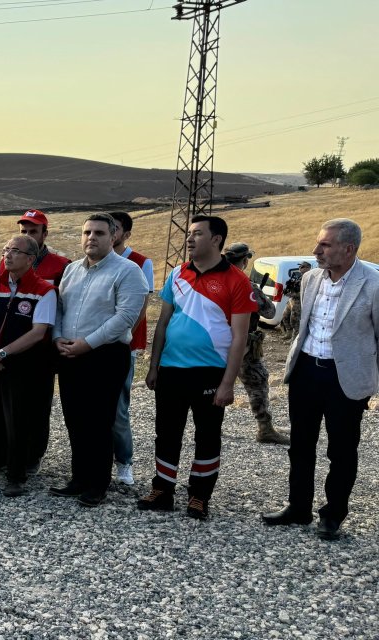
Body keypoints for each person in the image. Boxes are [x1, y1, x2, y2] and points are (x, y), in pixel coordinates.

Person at [263, 219, 379, 541]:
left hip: (345, 380)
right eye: (318, 244)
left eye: (324, 245)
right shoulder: (312, 278)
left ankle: (332, 515)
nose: (316, 251)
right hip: (306, 373)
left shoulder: (373, 285)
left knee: (341, 451)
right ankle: (298, 507)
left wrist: (371, 381)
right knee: (300, 445)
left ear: (348, 249)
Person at [137, 215, 254, 520]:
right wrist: (154, 365)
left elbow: (240, 337)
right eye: (188, 233)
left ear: (216, 240)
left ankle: (199, 495)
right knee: (166, 432)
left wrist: (228, 384)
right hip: (172, 369)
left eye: (197, 234)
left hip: (210, 371)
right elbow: (162, 323)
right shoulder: (177, 273)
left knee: (208, 434)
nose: (189, 239)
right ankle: (162, 489)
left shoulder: (237, 280)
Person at [51, 213, 148, 507]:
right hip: (70, 354)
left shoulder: (128, 271)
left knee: (99, 421)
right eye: (87, 232)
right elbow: (59, 308)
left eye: (99, 233)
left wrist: (87, 344)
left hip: (105, 356)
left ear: (114, 235)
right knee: (75, 420)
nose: (91, 238)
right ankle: (79, 478)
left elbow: (126, 318)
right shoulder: (71, 270)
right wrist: (57, 337)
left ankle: (97, 484)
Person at [0, 235, 57, 496]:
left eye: (15, 251)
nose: (8, 255)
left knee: (17, 421)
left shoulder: (44, 291)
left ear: (30, 259)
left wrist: (3, 354)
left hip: (20, 368)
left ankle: (16, 476)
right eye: (6, 249)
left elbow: (38, 331)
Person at [0, 209, 71, 472]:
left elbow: (64, 306)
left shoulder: (62, 265)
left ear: (44, 233)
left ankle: (34, 454)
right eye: (23, 231)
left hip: (42, 349)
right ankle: (10, 451)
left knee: (38, 404)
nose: (28, 235)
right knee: (10, 404)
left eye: (33, 231)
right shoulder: (7, 260)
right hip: (12, 346)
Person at [223, 242, 291, 445]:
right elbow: (269, 312)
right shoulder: (245, 285)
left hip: (216, 342)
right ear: (245, 261)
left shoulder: (215, 280)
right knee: (257, 383)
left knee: (214, 383)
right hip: (243, 344)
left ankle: (209, 424)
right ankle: (265, 428)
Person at [109, 211, 154, 485]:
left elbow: (141, 307)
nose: (109, 233)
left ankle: (124, 461)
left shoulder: (140, 263)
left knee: (118, 407)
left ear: (126, 234)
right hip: (93, 344)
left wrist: (121, 334)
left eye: (114, 229)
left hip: (123, 344)